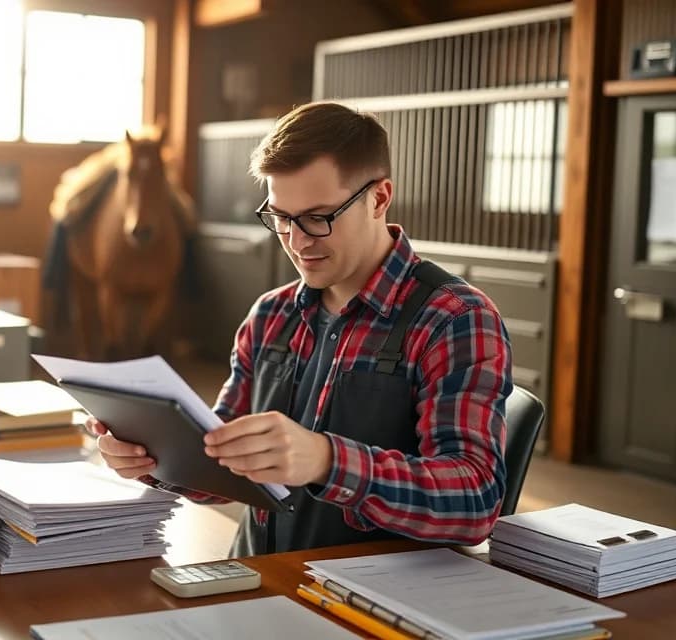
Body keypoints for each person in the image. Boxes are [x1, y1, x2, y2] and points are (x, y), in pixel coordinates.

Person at [88, 101, 513, 556]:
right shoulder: (270, 315)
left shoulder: (454, 318)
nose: (297, 240)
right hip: (256, 582)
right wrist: (156, 459)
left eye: (317, 217)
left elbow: (475, 503)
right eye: (281, 218)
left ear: (380, 198)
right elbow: (223, 463)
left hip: (369, 608)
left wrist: (327, 460)